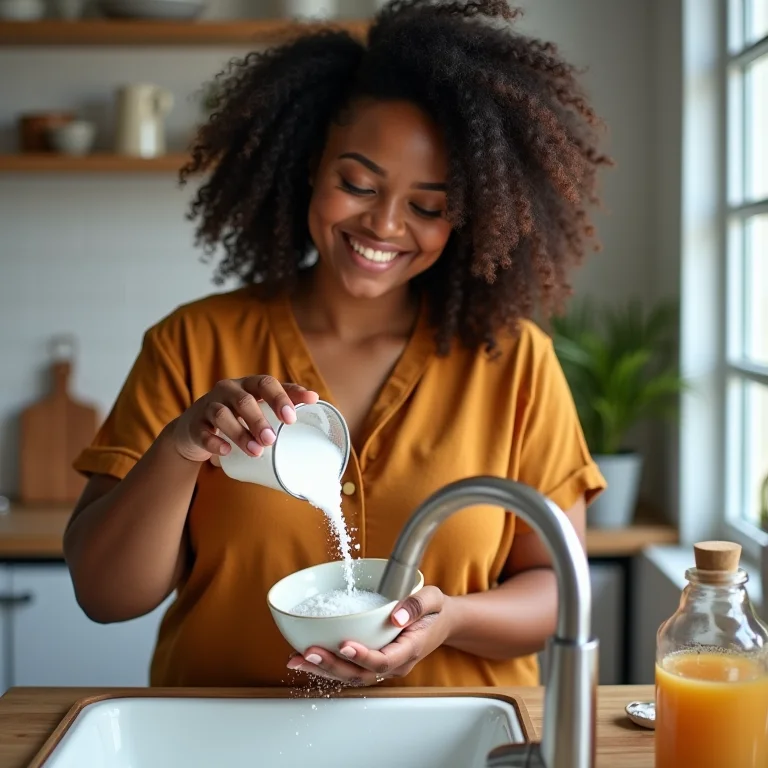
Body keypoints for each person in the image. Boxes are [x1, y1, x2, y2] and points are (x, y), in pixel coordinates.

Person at [64, 0, 610, 690]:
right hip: (228, 734)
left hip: (458, 737)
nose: (384, 224)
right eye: (358, 183)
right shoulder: (193, 344)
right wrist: (182, 446)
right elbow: (105, 596)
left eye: (428, 206)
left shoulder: (513, 361)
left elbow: (557, 585)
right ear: (307, 167)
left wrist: (451, 619)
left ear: (469, 216)